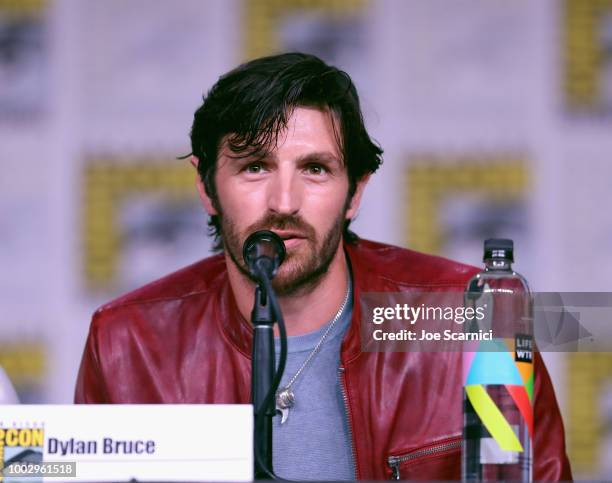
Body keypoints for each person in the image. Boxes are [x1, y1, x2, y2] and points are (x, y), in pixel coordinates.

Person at [75, 52, 572, 480]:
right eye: (254, 167)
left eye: (314, 169)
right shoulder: (128, 343)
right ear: (206, 186)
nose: (284, 202)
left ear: (354, 191)